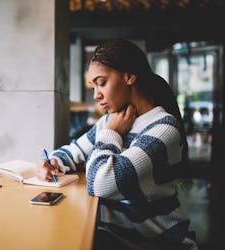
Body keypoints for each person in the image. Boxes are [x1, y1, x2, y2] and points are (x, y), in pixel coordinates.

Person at [36, 39, 197, 250]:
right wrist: (53, 162)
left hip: (158, 243)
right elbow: (75, 150)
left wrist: (112, 133)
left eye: (101, 83)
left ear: (129, 76)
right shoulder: (110, 120)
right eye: (93, 86)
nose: (96, 95)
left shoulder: (164, 128)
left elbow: (101, 185)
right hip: (117, 239)